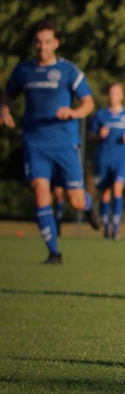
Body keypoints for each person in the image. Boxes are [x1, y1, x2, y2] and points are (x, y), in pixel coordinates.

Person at [1, 19, 100, 264]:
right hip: (35, 143)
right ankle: (54, 252)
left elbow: (88, 103)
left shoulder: (69, 71)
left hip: (65, 143)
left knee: (74, 200)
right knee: (39, 189)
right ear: (34, 44)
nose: (42, 47)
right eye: (38, 42)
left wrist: (74, 112)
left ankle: (87, 205)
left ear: (55, 43)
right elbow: (8, 97)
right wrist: (4, 111)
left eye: (47, 42)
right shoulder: (23, 71)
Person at [89, 82, 125, 241]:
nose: (113, 96)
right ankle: (106, 227)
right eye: (111, 93)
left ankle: (116, 229)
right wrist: (99, 135)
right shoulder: (100, 114)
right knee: (105, 192)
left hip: (122, 157)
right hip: (104, 157)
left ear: (122, 95)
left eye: (116, 93)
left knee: (118, 189)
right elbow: (91, 134)